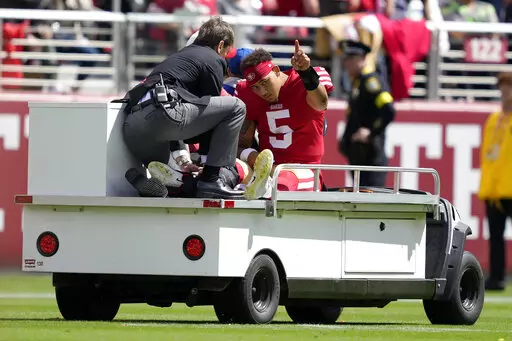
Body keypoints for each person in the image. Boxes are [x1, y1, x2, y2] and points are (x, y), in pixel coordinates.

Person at [122, 16, 250, 199]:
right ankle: (211, 181)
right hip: (164, 116)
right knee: (237, 107)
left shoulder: (175, 60)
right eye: (225, 53)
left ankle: (169, 186)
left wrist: (182, 159)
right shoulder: (213, 58)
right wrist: (208, 169)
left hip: (134, 127)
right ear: (220, 45)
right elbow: (212, 121)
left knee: (178, 174)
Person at [234, 41, 335, 199]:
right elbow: (240, 144)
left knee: (282, 184)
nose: (262, 91)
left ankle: (264, 191)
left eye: (264, 82)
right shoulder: (246, 93)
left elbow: (322, 103)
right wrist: (252, 156)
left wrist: (306, 72)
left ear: (275, 70)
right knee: (229, 170)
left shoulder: (303, 81)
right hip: (264, 171)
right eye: (255, 87)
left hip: (302, 170)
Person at [338, 39, 395, 188]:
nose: (347, 63)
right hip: (359, 157)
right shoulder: (357, 82)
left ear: (363, 59)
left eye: (351, 59)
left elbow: (388, 110)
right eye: (346, 59)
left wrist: (370, 132)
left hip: (371, 158)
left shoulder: (371, 82)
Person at [477, 71, 512, 291]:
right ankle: (496, 276)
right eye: (502, 87)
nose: (504, 91)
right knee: (495, 238)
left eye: (508, 87)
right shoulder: (493, 119)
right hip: (494, 188)